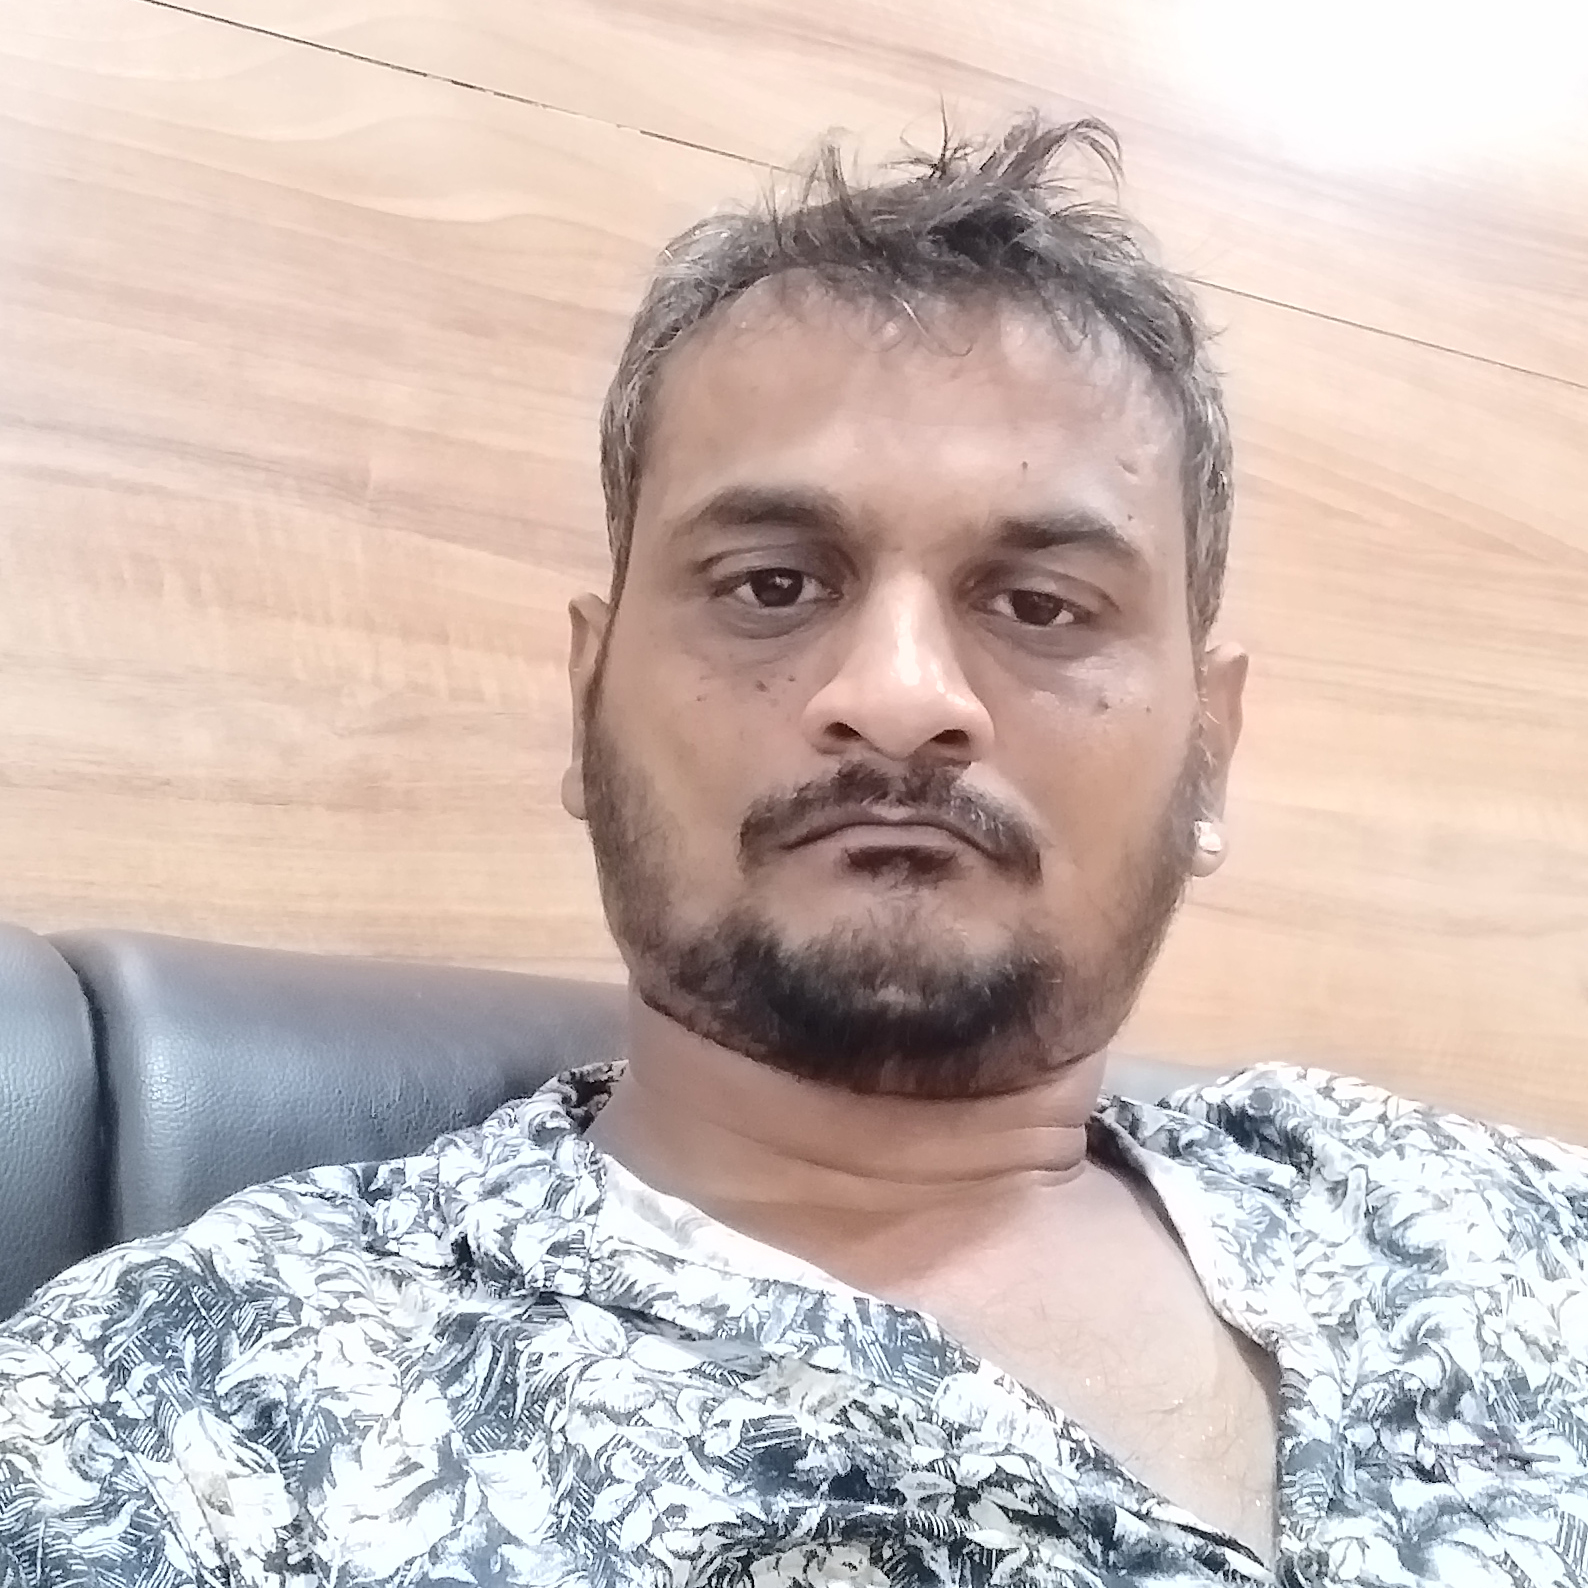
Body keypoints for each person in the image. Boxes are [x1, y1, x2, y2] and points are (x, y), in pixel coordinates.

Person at [2, 114, 1587, 1588]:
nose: (899, 697)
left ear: (1210, 750)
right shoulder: (201, 1408)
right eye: (773, 585)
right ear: (585, 703)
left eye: (1041, 605)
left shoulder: (1485, 1218)